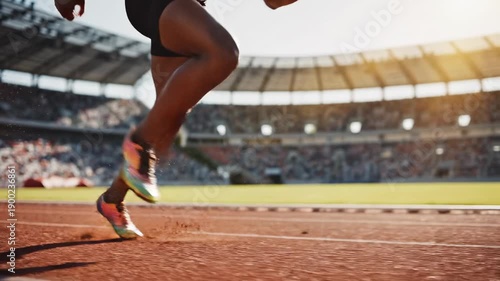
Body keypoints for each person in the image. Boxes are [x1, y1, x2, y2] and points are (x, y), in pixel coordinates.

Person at [55, 0, 299, 239]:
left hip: (176, 10)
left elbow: (274, 2)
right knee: (223, 54)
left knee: (169, 118)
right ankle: (138, 146)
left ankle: (112, 200)